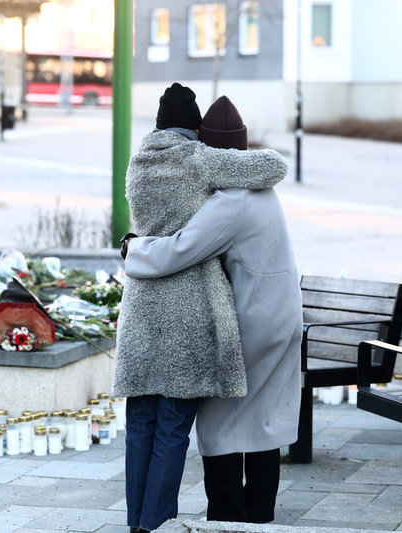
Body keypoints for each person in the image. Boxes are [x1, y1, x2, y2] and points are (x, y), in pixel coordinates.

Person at [113, 84, 288, 532]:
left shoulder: (136, 162)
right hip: (188, 307)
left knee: (139, 425)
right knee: (173, 426)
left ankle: (135, 521)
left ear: (157, 123)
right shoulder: (199, 159)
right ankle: (154, 524)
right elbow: (273, 166)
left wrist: (133, 248)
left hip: (140, 305)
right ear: (195, 129)